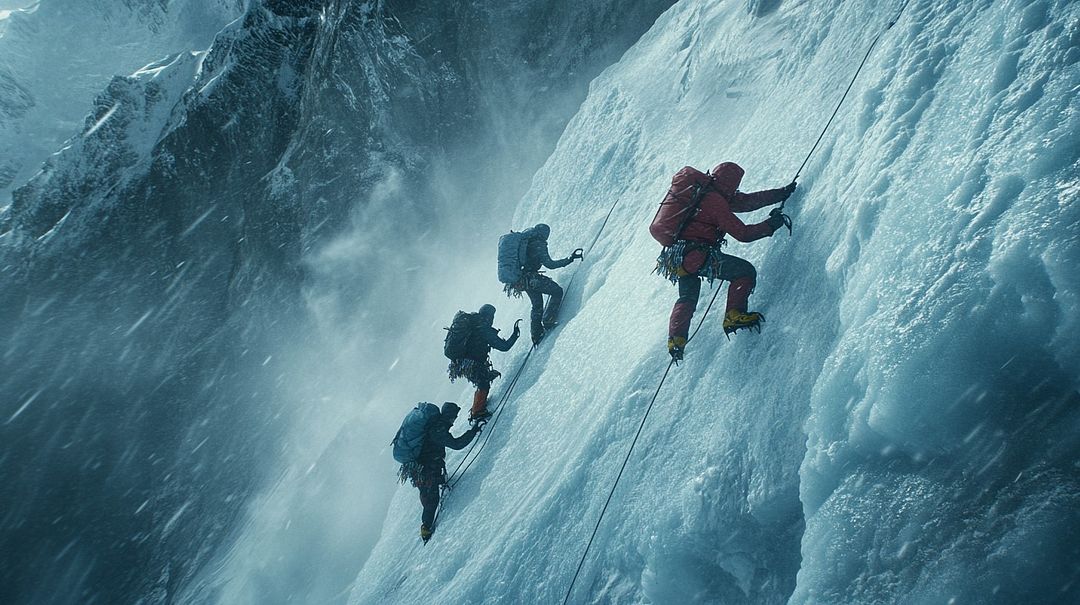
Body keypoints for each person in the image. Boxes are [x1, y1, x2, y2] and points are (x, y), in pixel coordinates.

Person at [665, 162, 795, 360]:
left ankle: (676, 340)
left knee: (687, 297)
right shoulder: (715, 201)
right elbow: (743, 234)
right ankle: (734, 314)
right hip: (696, 254)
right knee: (743, 272)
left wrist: (781, 193)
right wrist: (771, 224)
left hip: (676, 258)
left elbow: (748, 202)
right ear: (731, 182)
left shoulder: (706, 195)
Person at [413, 402, 480, 542]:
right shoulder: (439, 429)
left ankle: (427, 522)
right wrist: (473, 432)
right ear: (449, 415)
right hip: (425, 470)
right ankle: (425, 527)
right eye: (454, 417)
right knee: (431, 499)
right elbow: (456, 444)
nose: (454, 420)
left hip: (426, 468)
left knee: (430, 488)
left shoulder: (436, 425)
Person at [447, 304, 520, 422]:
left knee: (482, 381)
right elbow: (503, 347)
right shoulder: (483, 328)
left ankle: (478, 406)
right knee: (483, 383)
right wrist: (515, 334)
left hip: (462, 362)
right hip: (472, 362)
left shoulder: (473, 324)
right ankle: (477, 411)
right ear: (489, 316)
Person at [515, 224, 583, 345]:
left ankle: (536, 335)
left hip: (523, 280)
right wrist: (569, 259)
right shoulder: (538, 244)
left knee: (537, 305)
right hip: (533, 278)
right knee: (557, 291)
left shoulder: (526, 243)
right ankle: (548, 320)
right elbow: (549, 264)